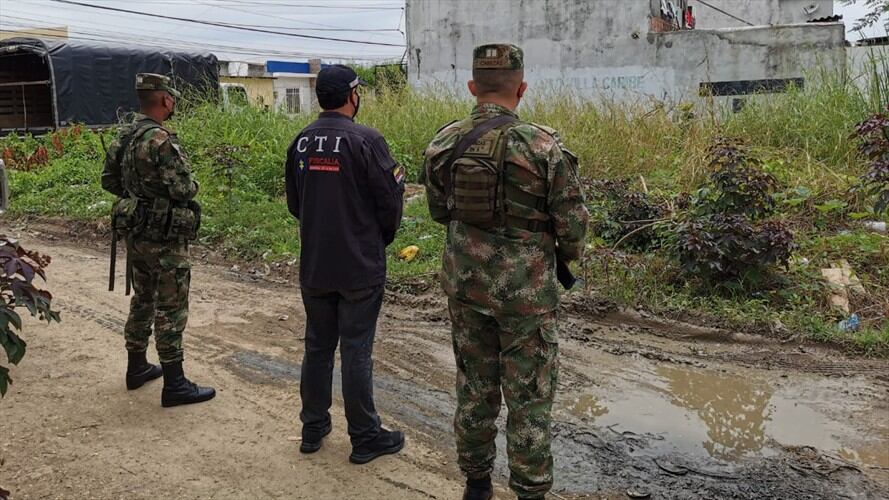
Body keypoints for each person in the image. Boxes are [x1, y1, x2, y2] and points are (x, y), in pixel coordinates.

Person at [421, 44, 589, 500]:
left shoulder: (444, 142)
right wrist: (560, 255)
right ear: (523, 87)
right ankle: (530, 491)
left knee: (474, 387)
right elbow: (572, 227)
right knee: (529, 399)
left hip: (466, 287)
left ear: (473, 87)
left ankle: (476, 484)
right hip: (527, 296)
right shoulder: (542, 146)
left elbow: (440, 212)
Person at [284, 65, 406, 464]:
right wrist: (374, 241)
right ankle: (365, 436)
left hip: (316, 264)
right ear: (353, 95)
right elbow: (390, 203)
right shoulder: (366, 140)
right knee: (356, 349)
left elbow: (295, 205)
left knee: (317, 347)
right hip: (358, 267)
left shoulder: (301, 141)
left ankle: (313, 427)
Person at [101, 73, 215, 408]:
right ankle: (175, 384)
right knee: (171, 306)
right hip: (165, 238)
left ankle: (136, 367)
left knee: (143, 298)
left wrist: (138, 196)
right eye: (173, 98)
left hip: (136, 233)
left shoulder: (125, 136)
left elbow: (109, 181)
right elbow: (183, 188)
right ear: (165, 100)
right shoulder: (161, 139)